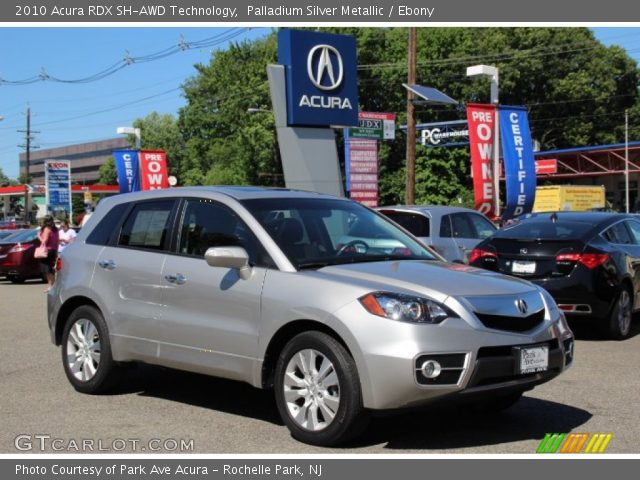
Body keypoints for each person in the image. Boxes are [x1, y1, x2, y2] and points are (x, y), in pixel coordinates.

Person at [38, 215, 59, 292]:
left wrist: (39, 236)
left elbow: (44, 241)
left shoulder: (47, 229)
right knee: (51, 269)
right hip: (53, 251)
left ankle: (50, 286)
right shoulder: (55, 229)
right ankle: (53, 286)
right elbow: (57, 241)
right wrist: (56, 251)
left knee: (47, 270)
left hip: (47, 251)